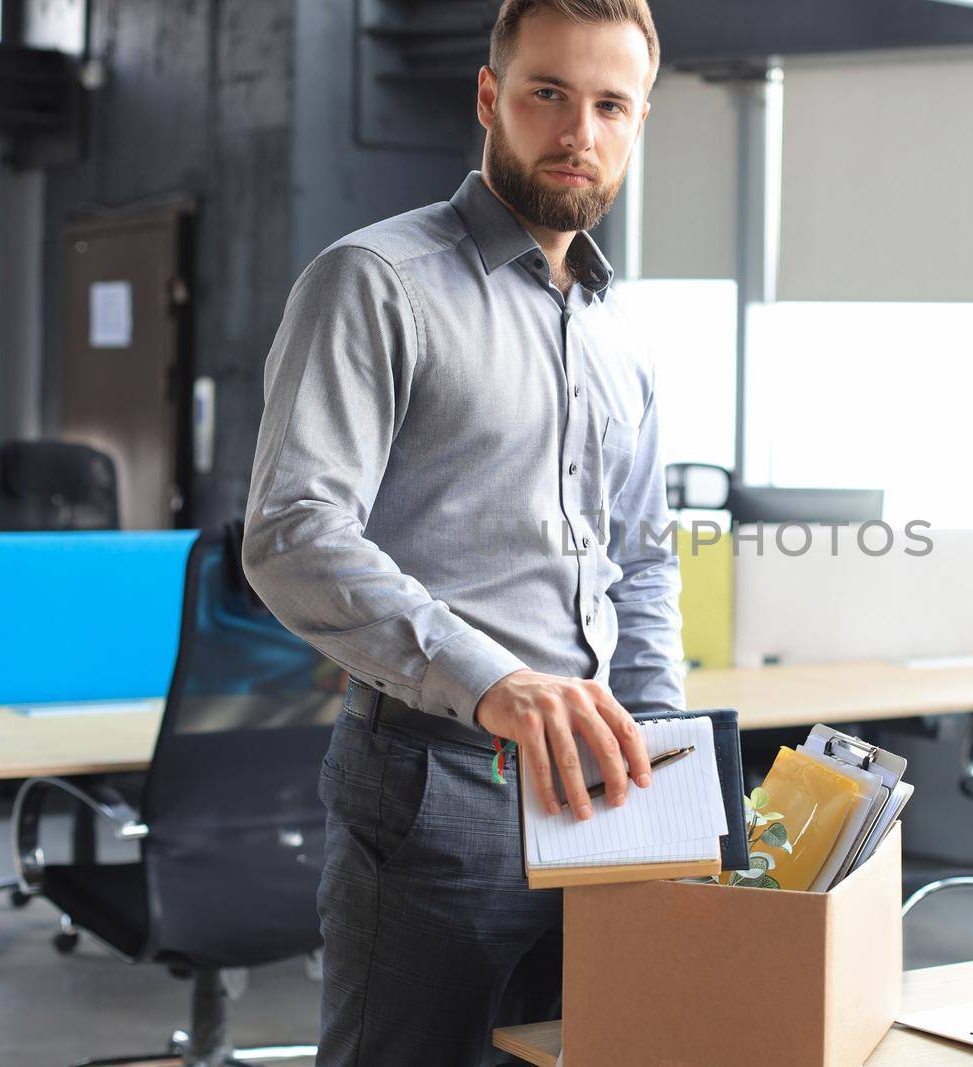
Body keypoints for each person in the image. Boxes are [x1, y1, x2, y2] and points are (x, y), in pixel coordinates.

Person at [241, 1, 681, 1062]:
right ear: (490, 97)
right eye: (548, 95)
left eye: (610, 105)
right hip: (440, 780)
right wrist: (492, 681)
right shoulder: (377, 282)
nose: (579, 132)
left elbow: (642, 561)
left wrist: (668, 751)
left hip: (608, 792)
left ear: (637, 122)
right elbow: (294, 528)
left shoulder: (620, 335)